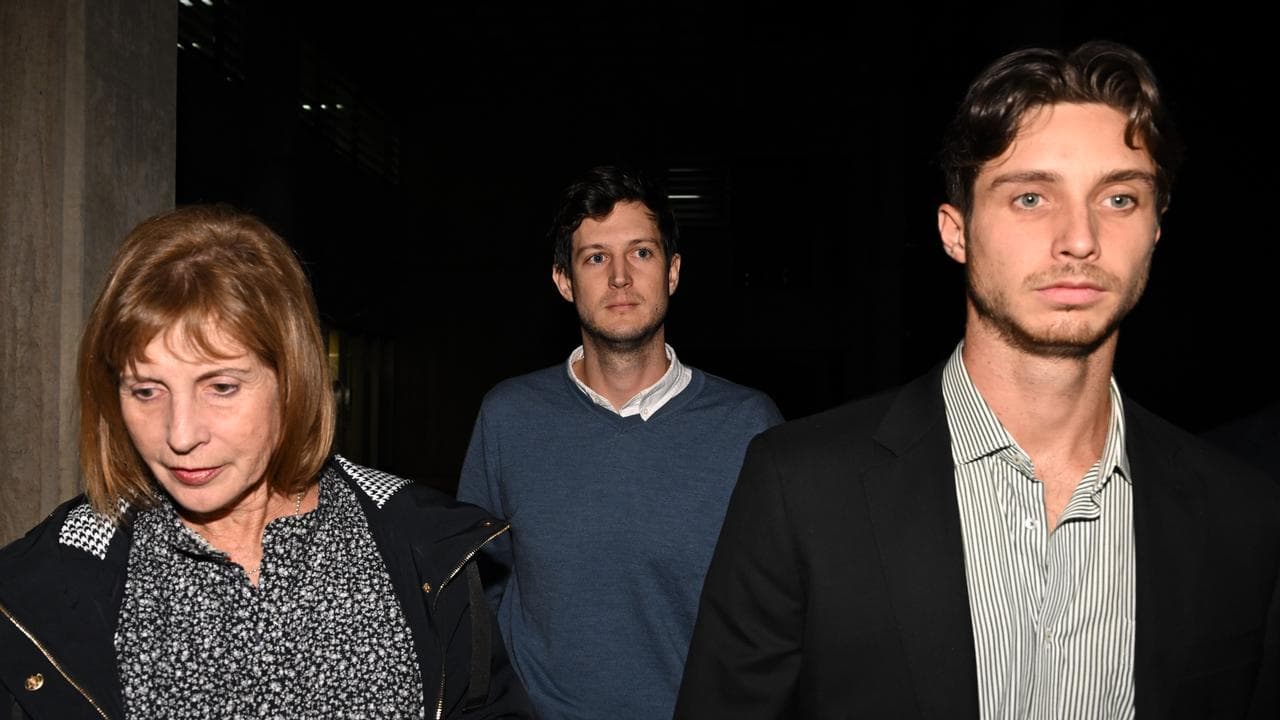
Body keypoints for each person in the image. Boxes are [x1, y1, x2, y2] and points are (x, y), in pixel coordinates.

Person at [675, 41, 1280, 719]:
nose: (1079, 238)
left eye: (1118, 197)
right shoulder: (800, 487)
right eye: (1030, 196)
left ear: (1156, 231)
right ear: (955, 232)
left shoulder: (1244, 516)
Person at [0, 205, 532, 719]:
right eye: (146, 391)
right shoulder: (44, 584)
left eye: (222, 387)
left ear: (292, 379)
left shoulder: (422, 542)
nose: (180, 435)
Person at [456, 165, 783, 719]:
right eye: (596, 257)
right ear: (564, 280)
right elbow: (476, 583)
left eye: (642, 253)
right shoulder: (509, 417)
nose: (620, 278)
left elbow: (778, 611)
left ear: (673, 272)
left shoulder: (748, 425)